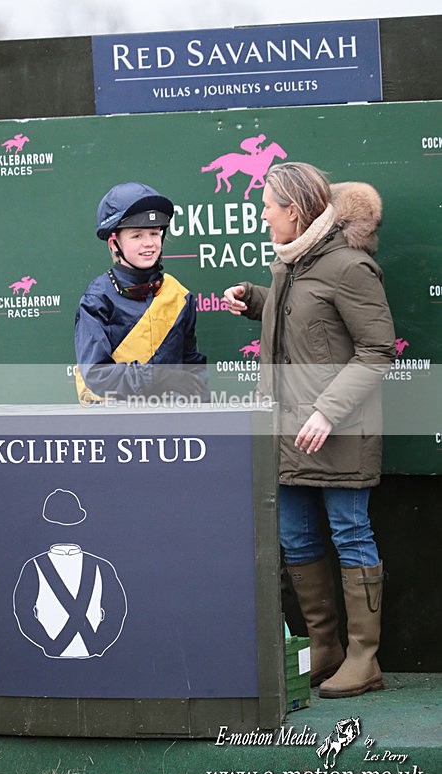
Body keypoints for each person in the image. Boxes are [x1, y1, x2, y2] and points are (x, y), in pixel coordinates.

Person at [223, 162, 396, 699]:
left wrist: (327, 411)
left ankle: (364, 659)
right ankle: (324, 649)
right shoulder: (290, 266)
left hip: (337, 433)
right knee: (294, 536)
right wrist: (255, 299)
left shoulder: (349, 267)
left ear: (294, 212)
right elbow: (302, 320)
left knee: (349, 534)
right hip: (287, 433)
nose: (263, 213)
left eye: (268, 206)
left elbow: (377, 350)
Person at [75, 182, 208, 403]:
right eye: (137, 236)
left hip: (172, 424)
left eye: (154, 233)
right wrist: (159, 377)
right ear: (114, 242)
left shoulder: (179, 295)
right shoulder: (97, 298)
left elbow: (192, 366)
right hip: (115, 426)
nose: (149, 243)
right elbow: (96, 373)